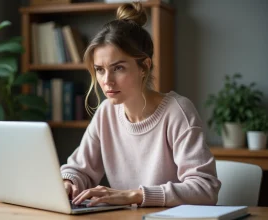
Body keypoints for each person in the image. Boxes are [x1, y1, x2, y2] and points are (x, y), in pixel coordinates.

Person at [60, 2, 221, 207]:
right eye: (100, 69)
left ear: (144, 66)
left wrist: (135, 195)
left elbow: (205, 189)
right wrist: (68, 182)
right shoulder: (106, 113)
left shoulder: (177, 112)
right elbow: (79, 169)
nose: (106, 80)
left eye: (118, 68)